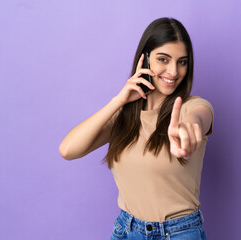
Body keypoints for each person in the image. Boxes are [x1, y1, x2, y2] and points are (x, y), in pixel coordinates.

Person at [59, 17, 213, 240]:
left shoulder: (193, 106)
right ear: (146, 58)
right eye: (163, 59)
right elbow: (68, 150)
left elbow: (198, 118)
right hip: (127, 230)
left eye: (182, 62)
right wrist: (118, 101)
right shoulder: (124, 117)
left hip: (178, 233)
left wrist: (189, 127)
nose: (173, 71)